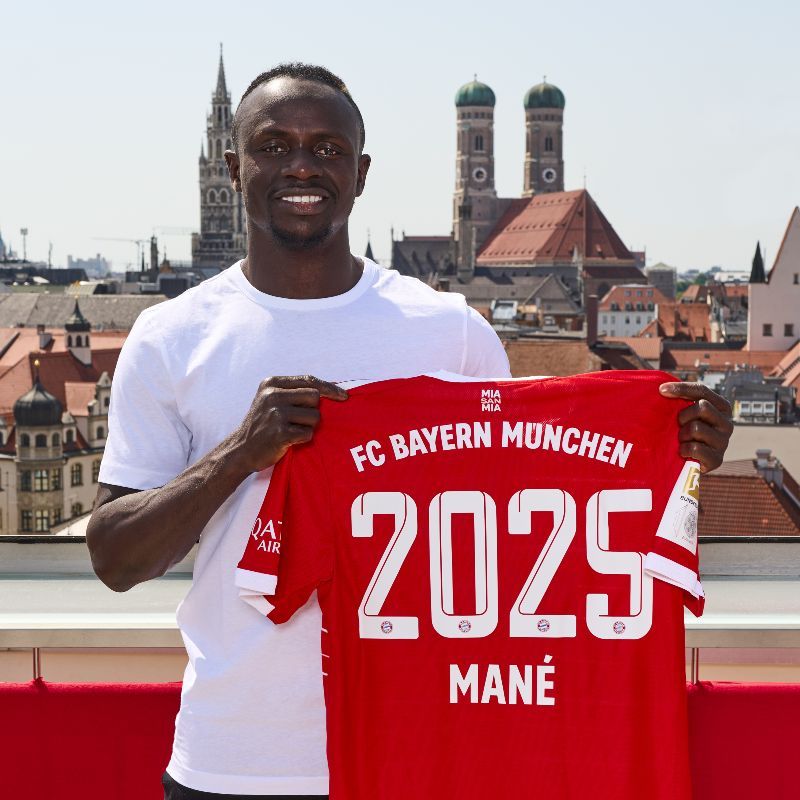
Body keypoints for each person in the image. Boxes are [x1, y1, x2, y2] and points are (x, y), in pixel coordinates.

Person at [86, 63, 734, 799]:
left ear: (361, 174)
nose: (302, 165)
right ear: (233, 167)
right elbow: (114, 557)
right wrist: (240, 454)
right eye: (274, 146)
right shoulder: (169, 335)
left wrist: (669, 453)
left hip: (425, 752)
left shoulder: (449, 331)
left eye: (327, 149)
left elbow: (528, 525)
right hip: (236, 760)